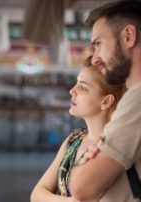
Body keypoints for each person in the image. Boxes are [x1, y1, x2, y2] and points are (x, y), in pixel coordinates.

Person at [68, 1, 141, 202]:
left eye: (98, 44)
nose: (95, 58)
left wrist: (98, 151)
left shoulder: (137, 100)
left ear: (128, 36)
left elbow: (82, 188)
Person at [30, 59, 126, 202]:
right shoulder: (75, 139)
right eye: (76, 83)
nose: (72, 90)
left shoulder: (117, 146)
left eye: (83, 88)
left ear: (106, 101)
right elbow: (37, 194)